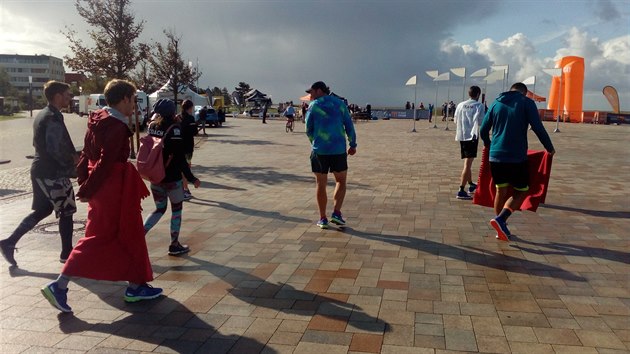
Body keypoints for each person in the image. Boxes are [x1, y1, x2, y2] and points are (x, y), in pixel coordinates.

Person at [40, 79, 162, 313]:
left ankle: (136, 285)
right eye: (133, 99)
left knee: (127, 233)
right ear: (124, 98)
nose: (134, 105)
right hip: (112, 187)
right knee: (101, 237)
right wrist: (87, 188)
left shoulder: (98, 119)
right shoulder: (116, 125)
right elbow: (106, 163)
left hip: (105, 187)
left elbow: (87, 155)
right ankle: (59, 285)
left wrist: (86, 184)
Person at [0, 81, 77, 267]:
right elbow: (56, 149)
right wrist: (74, 162)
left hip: (42, 170)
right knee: (66, 211)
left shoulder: (46, 114)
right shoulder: (51, 117)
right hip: (52, 172)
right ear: (58, 96)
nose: (70, 97)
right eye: (67, 94)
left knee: (44, 210)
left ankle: (9, 242)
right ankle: (67, 254)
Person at [480, 82, 555, 241]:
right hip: (516, 157)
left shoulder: (496, 103)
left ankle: (500, 227)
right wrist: (549, 147)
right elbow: (537, 127)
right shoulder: (526, 103)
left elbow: (483, 129)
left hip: (495, 156)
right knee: (521, 191)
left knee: (501, 191)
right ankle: (501, 220)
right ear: (524, 93)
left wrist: (488, 144)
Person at [144, 98, 201, 256]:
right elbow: (180, 158)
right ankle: (174, 245)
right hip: (172, 178)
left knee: (159, 209)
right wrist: (191, 178)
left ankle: (140, 235)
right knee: (176, 210)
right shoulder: (174, 129)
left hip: (155, 177)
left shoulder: (152, 126)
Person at [305, 81, 357, 229]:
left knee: (320, 183)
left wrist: (315, 142)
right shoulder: (340, 104)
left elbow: (308, 128)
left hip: (320, 150)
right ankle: (336, 213)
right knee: (340, 180)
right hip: (338, 150)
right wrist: (352, 144)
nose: (311, 95)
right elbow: (349, 125)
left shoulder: (314, 106)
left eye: (312, 92)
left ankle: (322, 218)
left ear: (319, 90)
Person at [454, 86, 484, 199]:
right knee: (468, 163)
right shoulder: (479, 106)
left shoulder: (460, 105)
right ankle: (461, 189)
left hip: (462, 135)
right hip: (472, 136)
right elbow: (481, 121)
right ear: (478, 95)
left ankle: (471, 184)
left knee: (468, 160)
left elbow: (455, 120)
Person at [178, 100, 198, 200]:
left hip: (178, 146)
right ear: (189, 108)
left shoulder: (178, 117)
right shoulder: (190, 118)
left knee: (180, 169)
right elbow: (194, 132)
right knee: (186, 168)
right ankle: (185, 190)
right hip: (188, 147)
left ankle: (181, 189)